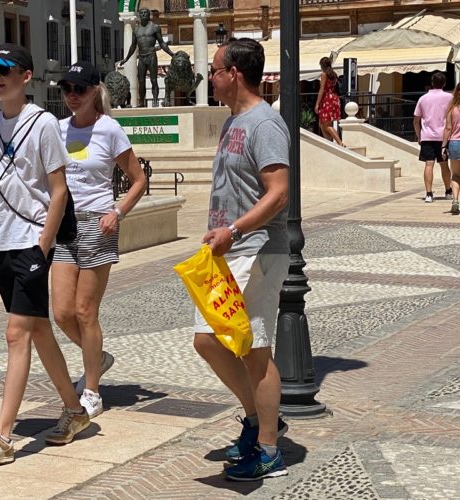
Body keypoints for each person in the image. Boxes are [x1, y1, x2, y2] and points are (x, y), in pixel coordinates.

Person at [0, 44, 90, 466]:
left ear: (26, 77)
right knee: (36, 329)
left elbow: (59, 190)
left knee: (16, 334)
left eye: (5, 70)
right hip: (1, 244)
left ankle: (1, 436)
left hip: (32, 244)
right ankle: (74, 411)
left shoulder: (43, 124)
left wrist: (42, 246)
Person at [196, 38, 290, 481]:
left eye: (214, 70)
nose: (209, 77)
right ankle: (259, 420)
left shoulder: (264, 123)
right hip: (228, 251)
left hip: (256, 251)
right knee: (208, 340)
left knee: (253, 350)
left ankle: (269, 448)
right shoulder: (232, 120)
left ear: (234, 73)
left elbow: (278, 193)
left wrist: (234, 230)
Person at [51, 62, 147, 418]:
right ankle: (99, 357)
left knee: (84, 311)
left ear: (94, 90)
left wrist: (117, 212)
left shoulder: (109, 129)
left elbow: (138, 180)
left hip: (97, 225)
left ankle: (92, 388)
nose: (72, 96)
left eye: (79, 89)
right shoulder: (57, 129)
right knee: (61, 313)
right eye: (66, 90)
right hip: (64, 227)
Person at [119, 7, 174, 107]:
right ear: (139, 15)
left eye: (145, 13)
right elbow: (133, 46)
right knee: (141, 80)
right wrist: (126, 59)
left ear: (149, 15)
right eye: (142, 13)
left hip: (151, 55)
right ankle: (141, 102)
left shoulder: (155, 27)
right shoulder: (136, 30)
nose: (143, 14)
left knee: (153, 80)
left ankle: (155, 100)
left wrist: (171, 54)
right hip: (142, 57)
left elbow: (162, 43)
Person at [414, 72, 453, 203]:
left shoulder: (423, 98)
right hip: (444, 137)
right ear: (444, 83)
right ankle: (448, 191)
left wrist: (419, 135)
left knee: (428, 164)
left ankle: (429, 194)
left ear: (432, 82)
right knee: (444, 165)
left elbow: (416, 120)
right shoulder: (449, 98)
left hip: (427, 136)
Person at [314, 57, 343, 147]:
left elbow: (322, 89)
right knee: (321, 123)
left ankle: (340, 143)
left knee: (326, 125)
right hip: (334, 99)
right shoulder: (333, 74)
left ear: (322, 65)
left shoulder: (324, 74)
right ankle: (328, 142)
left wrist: (317, 104)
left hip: (327, 100)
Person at [442, 83, 460, 215]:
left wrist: (443, 145)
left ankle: (455, 201)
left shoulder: (452, 109)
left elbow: (448, 128)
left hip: (455, 143)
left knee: (456, 175)